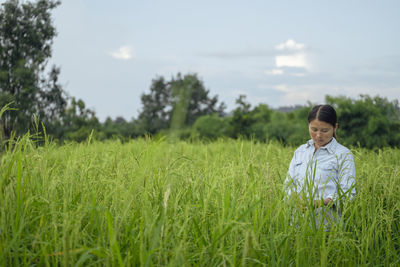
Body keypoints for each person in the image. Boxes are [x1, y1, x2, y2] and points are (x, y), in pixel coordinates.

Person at [285, 104, 356, 226]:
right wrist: (295, 198)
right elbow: (288, 185)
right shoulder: (300, 152)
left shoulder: (343, 155)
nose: (318, 135)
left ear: (335, 128)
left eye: (324, 130)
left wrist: (319, 202)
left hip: (328, 228)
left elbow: (348, 194)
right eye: (314, 129)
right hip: (296, 225)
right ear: (308, 126)